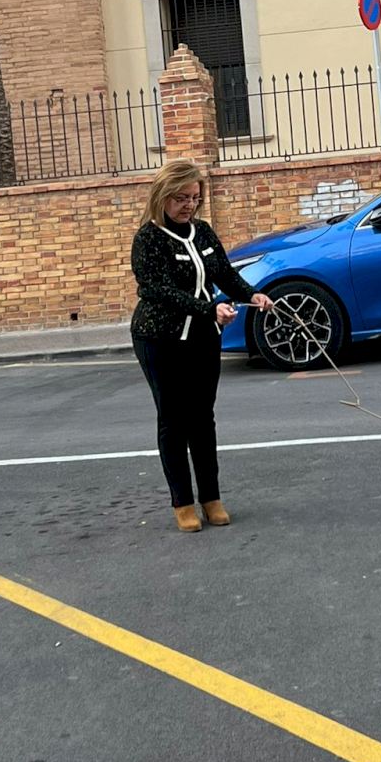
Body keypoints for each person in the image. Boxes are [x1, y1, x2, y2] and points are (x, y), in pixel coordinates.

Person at [130, 160, 274, 534]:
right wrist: (209, 308)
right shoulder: (148, 239)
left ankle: (211, 497)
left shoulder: (204, 232)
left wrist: (252, 295)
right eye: (181, 198)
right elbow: (156, 289)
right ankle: (182, 502)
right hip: (160, 338)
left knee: (202, 417)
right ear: (162, 196)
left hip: (203, 338)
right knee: (173, 419)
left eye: (194, 198)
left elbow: (224, 273)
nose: (189, 205)